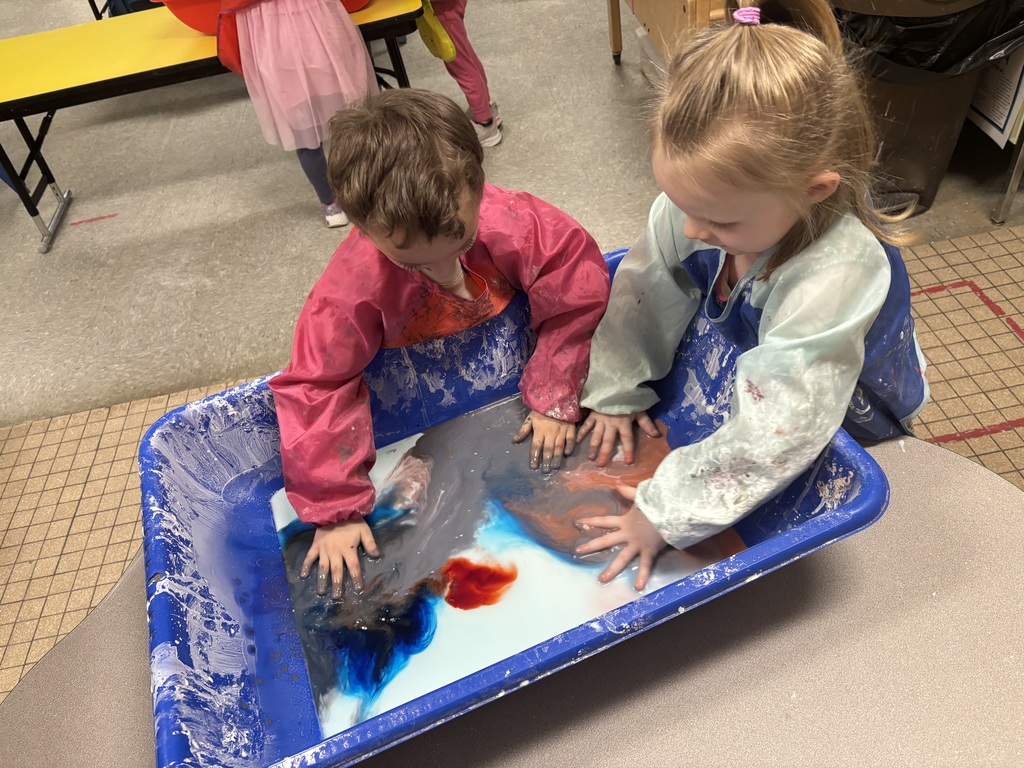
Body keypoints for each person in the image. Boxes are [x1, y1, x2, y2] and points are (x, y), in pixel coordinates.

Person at [574, 0, 930, 590]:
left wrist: (665, 511)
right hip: (779, 370)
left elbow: (784, 427)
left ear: (815, 190)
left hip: (855, 403)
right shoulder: (706, 208)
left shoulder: (839, 270)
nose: (690, 230)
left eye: (718, 223)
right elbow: (643, 289)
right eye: (680, 205)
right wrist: (616, 389)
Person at [269, 88, 610, 599]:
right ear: (362, 225)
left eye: (462, 245)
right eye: (412, 262)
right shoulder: (351, 290)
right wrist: (335, 508)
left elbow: (577, 292)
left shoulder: (520, 224)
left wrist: (553, 390)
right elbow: (317, 385)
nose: (444, 272)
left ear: (477, 182)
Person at [216, 0, 377, 227]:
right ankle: (366, 190)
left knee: (305, 135)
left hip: (270, 40)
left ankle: (330, 203)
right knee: (349, 117)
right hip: (317, 27)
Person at [428, 0, 503, 147]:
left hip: (442, 10)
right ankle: (485, 109)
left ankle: (485, 123)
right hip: (450, 6)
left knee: (461, 67)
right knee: (467, 57)